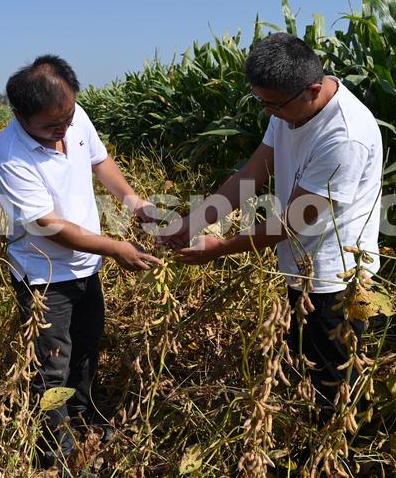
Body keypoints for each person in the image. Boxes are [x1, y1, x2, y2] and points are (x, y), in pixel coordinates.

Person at [158, 33, 383, 419]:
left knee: (338, 382)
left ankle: (342, 445)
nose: (267, 113)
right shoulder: (289, 107)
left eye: (273, 105)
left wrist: (220, 248)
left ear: (313, 90)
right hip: (302, 268)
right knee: (306, 363)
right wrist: (194, 220)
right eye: (261, 102)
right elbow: (253, 173)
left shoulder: (345, 137)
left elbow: (294, 221)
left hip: (338, 280)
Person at [0, 55, 161, 469]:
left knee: (86, 347)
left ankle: (83, 418)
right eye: (51, 126)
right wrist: (115, 248)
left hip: (87, 267)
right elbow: (50, 227)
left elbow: (100, 160)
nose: (63, 131)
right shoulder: (11, 157)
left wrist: (134, 201)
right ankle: (56, 448)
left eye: (67, 120)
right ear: (20, 116)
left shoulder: (71, 115)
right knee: (52, 364)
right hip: (44, 277)